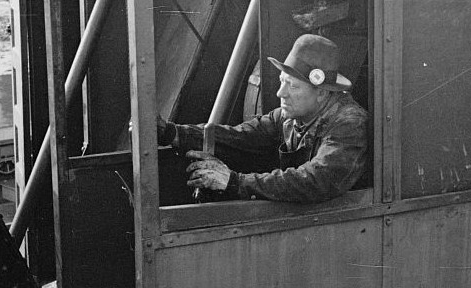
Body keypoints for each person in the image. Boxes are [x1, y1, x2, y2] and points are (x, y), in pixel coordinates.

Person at [157, 34, 369, 203]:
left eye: (293, 86)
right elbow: (241, 137)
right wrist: (173, 133)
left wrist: (236, 183)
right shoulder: (290, 117)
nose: (280, 93)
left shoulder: (348, 124)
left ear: (322, 93)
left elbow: (318, 180)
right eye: (282, 81)